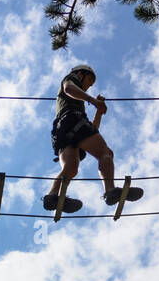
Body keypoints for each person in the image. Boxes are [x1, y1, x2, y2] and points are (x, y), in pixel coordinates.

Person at [44, 64, 143, 212]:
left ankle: (52, 197)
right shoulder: (71, 79)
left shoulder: (74, 103)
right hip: (73, 121)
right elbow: (68, 88)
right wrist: (93, 101)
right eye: (89, 80)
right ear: (80, 74)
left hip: (62, 130)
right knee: (106, 153)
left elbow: (92, 131)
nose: (88, 86)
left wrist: (98, 112)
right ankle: (110, 190)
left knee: (70, 168)